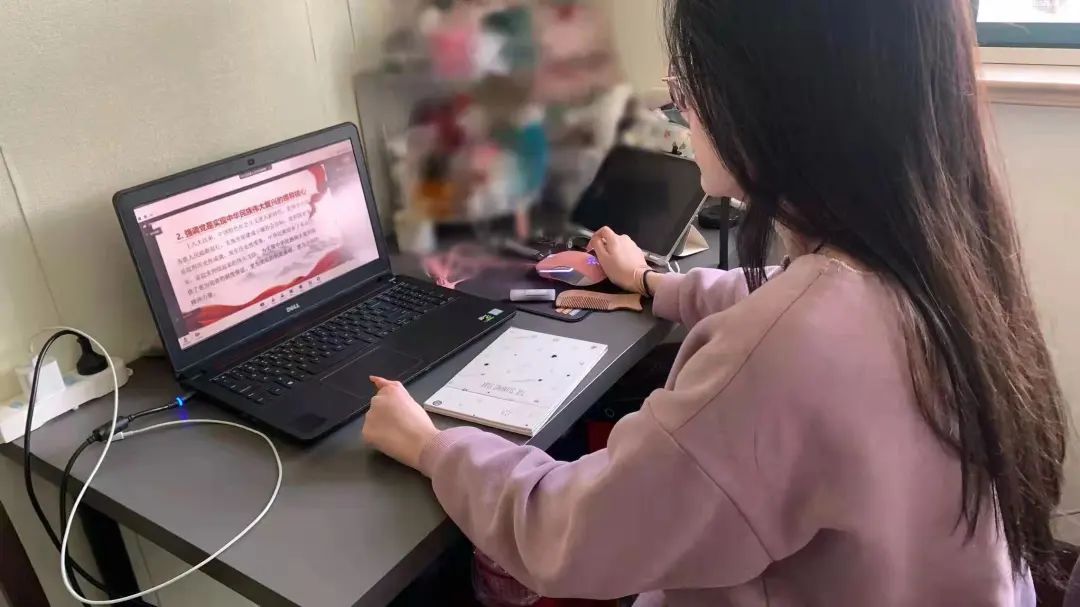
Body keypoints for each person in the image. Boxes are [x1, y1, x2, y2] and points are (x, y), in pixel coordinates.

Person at [362, 0, 1068, 604]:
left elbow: (571, 533)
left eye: (689, 78)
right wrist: (654, 285)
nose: (681, 103)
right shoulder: (943, 264)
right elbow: (789, 295)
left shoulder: (790, 350)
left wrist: (432, 445)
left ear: (771, 95)